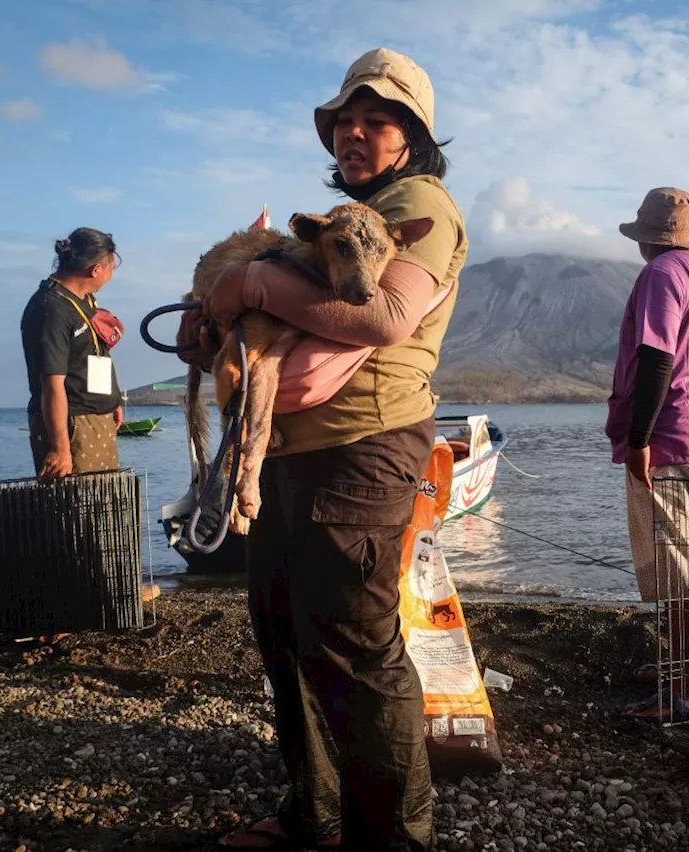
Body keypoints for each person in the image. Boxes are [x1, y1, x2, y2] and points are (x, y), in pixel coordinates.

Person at [177, 47, 467, 852]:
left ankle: (393, 840)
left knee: (353, 643)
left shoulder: (421, 207)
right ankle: (317, 813)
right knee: (282, 629)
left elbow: (379, 318)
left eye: (376, 119)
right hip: (286, 452)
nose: (354, 132)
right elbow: (251, 340)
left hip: (364, 444)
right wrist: (215, 324)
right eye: (345, 120)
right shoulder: (333, 221)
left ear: (411, 133)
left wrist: (257, 286)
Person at [604, 187, 689, 723]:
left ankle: (688, 691)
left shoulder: (660, 275)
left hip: (670, 437)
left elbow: (655, 359)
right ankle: (685, 671)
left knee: (678, 566)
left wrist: (638, 442)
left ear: (647, 238)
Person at [20, 228, 124, 481]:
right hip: (72, 425)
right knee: (79, 511)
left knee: (104, 508)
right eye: (111, 268)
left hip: (97, 420)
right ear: (95, 270)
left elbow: (92, 356)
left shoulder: (84, 301)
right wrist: (61, 448)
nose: (111, 275)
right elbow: (51, 384)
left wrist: (113, 400)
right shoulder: (51, 308)